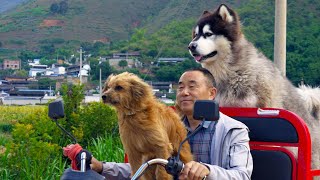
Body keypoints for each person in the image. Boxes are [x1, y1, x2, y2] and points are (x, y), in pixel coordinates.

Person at [63, 67, 253, 180]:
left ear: (211, 93)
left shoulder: (233, 130)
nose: (184, 92)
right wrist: (102, 167)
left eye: (192, 86)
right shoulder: (166, 122)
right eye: (180, 87)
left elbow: (242, 176)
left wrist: (208, 170)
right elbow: (147, 165)